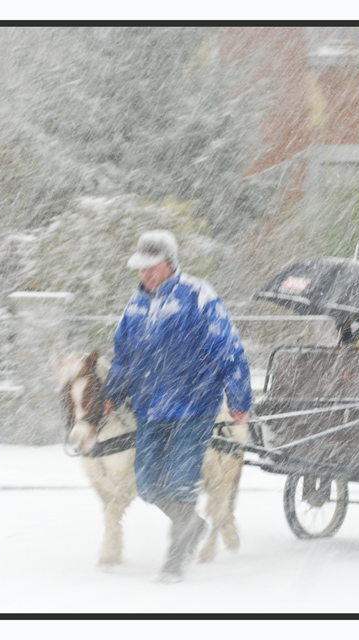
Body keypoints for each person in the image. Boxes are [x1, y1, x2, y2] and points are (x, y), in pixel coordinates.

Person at [103, 230, 252, 582]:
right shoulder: (136, 306)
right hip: (150, 408)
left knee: (181, 482)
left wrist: (240, 399)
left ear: (169, 264)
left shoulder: (199, 297)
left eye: (151, 268)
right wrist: (113, 393)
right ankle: (192, 524)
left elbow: (229, 350)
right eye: (141, 268)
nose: (144, 274)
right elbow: (122, 356)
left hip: (193, 405)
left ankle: (175, 559)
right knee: (148, 484)